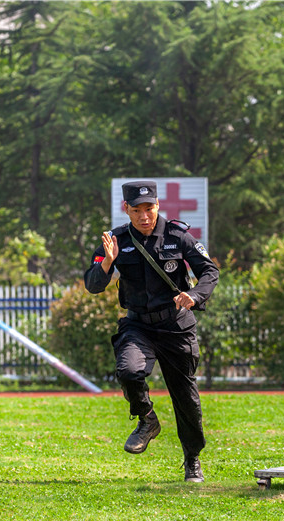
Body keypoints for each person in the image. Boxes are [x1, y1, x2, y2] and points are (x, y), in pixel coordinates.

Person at [84, 180, 219, 482]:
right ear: (126, 210)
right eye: (137, 210)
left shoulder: (177, 236)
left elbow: (210, 271)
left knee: (186, 399)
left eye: (150, 208)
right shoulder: (115, 241)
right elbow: (92, 284)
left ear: (158, 206)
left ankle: (192, 459)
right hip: (138, 325)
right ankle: (147, 420)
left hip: (176, 326)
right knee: (128, 371)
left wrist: (195, 295)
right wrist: (107, 262)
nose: (144, 216)